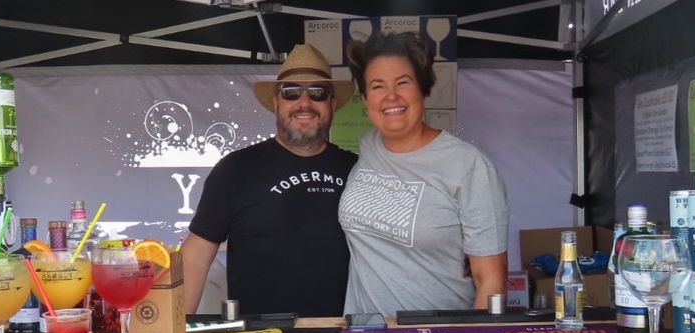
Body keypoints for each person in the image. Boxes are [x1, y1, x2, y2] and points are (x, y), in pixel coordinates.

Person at [339, 32, 509, 316]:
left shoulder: (468, 165)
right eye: (377, 86)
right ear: (365, 97)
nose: (391, 96)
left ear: (423, 88)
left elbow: (491, 280)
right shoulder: (368, 147)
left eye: (403, 83)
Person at [184, 44, 357, 317]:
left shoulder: (356, 169)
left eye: (318, 93)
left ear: (332, 104)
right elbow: (194, 258)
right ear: (277, 102)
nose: (305, 103)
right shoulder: (235, 170)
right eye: (291, 93)